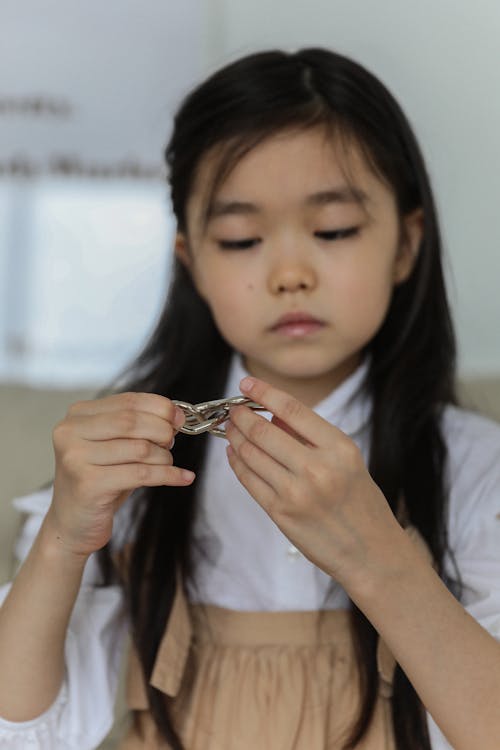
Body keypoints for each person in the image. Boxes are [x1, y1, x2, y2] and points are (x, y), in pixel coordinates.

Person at [0, 47, 499, 750]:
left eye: (334, 231)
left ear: (406, 245)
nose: (290, 272)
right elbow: (23, 731)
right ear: (190, 261)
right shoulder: (134, 470)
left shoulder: (480, 474)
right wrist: (62, 539)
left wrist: (376, 558)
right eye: (240, 239)